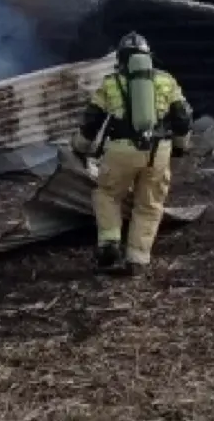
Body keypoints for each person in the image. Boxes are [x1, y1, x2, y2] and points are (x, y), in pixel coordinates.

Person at [72, 32, 194, 276]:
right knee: (149, 205)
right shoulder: (166, 81)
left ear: (121, 58)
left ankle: (109, 242)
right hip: (158, 151)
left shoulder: (110, 83)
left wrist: (80, 148)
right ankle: (137, 259)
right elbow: (182, 118)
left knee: (107, 194)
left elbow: (91, 122)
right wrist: (181, 146)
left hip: (121, 150)